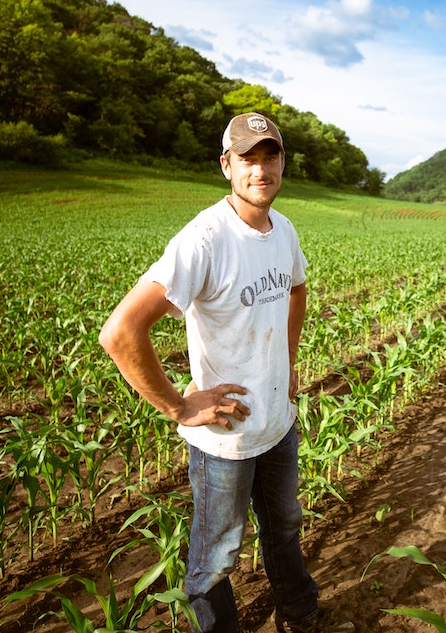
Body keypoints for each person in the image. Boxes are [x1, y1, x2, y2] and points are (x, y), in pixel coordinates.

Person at [99, 112, 354, 633]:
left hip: (277, 423)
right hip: (226, 438)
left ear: (283, 162)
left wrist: (287, 359)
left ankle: (301, 619)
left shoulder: (283, 229)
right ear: (226, 165)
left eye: (270, 156)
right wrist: (179, 405)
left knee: (284, 527)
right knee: (216, 556)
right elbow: (121, 332)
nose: (260, 169)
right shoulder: (205, 238)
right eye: (248, 158)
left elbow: (296, 289)